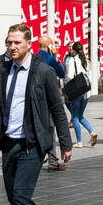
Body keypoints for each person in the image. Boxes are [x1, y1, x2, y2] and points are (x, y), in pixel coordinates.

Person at [0, 23, 72, 205]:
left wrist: (65, 144)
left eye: (17, 42)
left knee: (21, 197)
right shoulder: (2, 69)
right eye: (9, 42)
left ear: (28, 44)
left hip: (32, 144)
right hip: (8, 142)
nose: (12, 46)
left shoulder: (43, 71)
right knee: (13, 196)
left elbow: (57, 109)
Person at [34, 37, 67, 169]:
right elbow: (61, 73)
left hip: (36, 97)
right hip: (49, 97)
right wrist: (56, 56)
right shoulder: (49, 58)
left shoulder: (34, 58)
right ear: (49, 45)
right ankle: (52, 160)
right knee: (50, 127)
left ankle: (41, 156)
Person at [62, 42, 96, 148]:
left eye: (71, 48)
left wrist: (65, 85)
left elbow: (69, 76)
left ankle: (79, 141)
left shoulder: (71, 60)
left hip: (76, 91)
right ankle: (92, 132)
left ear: (74, 50)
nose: (69, 50)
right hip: (85, 92)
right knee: (80, 116)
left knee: (75, 117)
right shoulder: (85, 59)